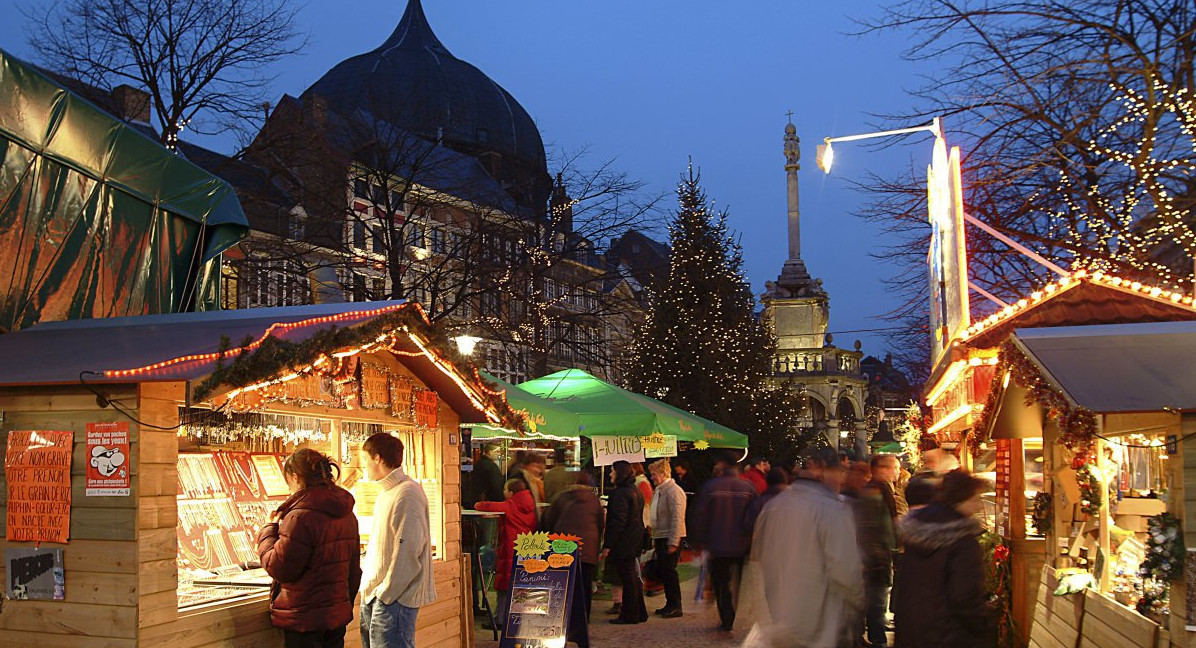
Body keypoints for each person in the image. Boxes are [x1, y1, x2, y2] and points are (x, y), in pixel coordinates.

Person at [750, 447, 864, 648]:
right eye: (839, 472)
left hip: (780, 620)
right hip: (819, 624)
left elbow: (757, 559)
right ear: (821, 470)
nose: (841, 480)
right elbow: (845, 571)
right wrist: (858, 602)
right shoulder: (832, 510)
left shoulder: (773, 505)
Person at [257, 449, 362, 648]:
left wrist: (267, 531)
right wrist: (341, 604)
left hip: (304, 619)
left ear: (295, 477)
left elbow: (280, 567)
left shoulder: (299, 516)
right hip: (335, 617)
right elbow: (353, 571)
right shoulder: (347, 514)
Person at [894, 470, 994, 648]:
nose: (979, 506)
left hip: (912, 629)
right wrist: (983, 628)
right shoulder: (963, 541)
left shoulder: (918, 529)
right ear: (961, 499)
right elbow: (965, 595)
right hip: (951, 634)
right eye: (976, 499)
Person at [359, 433, 436, 648]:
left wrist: (387, 593)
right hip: (377, 594)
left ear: (377, 458)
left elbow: (408, 550)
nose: (363, 466)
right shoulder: (388, 491)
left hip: (394, 598)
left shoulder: (407, 492)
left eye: (365, 459)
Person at [692, 455, 757, 632]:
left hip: (716, 544)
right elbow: (754, 518)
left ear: (722, 465)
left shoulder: (711, 486)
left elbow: (700, 516)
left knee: (720, 582)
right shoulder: (748, 487)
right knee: (736, 581)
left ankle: (726, 615)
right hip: (740, 545)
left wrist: (699, 541)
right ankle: (731, 613)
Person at [542, 471, 604, 648]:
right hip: (587, 549)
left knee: (563, 585)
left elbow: (548, 519)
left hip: (563, 548)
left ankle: (562, 619)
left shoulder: (562, 497)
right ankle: (584, 620)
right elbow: (600, 523)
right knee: (584, 585)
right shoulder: (594, 500)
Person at [474, 479, 538, 629]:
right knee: (520, 585)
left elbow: (484, 506)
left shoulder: (510, 506)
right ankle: (518, 617)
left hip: (510, 549)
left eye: (505, 489)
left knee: (504, 585)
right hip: (526, 548)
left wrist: (477, 504)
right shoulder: (531, 504)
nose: (503, 492)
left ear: (511, 492)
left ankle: (500, 619)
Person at [601, 460, 649, 625]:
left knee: (627, 578)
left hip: (624, 542)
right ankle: (639, 612)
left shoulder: (620, 493)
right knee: (632, 577)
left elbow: (617, 522)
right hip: (634, 540)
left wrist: (608, 545)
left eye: (612, 471)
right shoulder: (635, 490)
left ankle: (629, 615)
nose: (610, 474)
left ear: (619, 473)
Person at [861, 455, 900, 648]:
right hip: (876, 558)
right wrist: (876, 555)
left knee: (877, 598)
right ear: (882, 469)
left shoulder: (882, 490)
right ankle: (878, 641)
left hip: (881, 554)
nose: (898, 472)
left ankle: (877, 635)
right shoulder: (874, 492)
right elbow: (868, 527)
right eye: (895, 468)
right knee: (876, 599)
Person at [648, 458, 686, 618]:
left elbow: (677, 518)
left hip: (669, 535)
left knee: (669, 571)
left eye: (654, 474)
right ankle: (670, 603)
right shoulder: (661, 490)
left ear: (663, 474)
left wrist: (673, 541)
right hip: (662, 534)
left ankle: (675, 605)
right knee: (665, 571)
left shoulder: (673, 491)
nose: (652, 477)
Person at [743, 467, 789, 536]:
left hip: (764, 542)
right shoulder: (793, 500)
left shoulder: (759, 502)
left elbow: (749, 525)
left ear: (767, 481)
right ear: (785, 480)